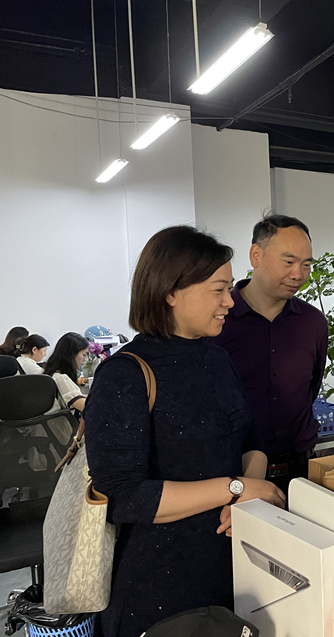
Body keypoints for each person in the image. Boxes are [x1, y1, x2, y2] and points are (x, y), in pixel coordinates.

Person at [85, 226, 285, 637]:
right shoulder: (124, 375)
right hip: (160, 581)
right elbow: (124, 496)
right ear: (170, 292)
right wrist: (235, 489)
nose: (230, 301)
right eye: (218, 290)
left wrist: (246, 496)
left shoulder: (218, 360)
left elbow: (251, 439)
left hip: (234, 562)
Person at [210, 213, 328, 495]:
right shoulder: (217, 321)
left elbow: (311, 387)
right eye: (288, 262)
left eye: (306, 264)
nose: (298, 274)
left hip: (300, 471)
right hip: (231, 476)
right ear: (256, 255)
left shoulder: (313, 322)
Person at [42, 332, 88, 415]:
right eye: (84, 355)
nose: (85, 359)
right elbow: (87, 408)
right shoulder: (61, 378)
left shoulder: (53, 374)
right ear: (72, 355)